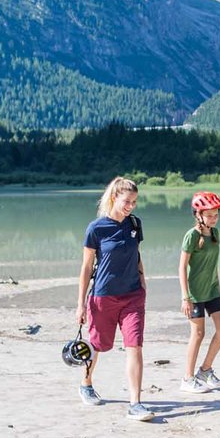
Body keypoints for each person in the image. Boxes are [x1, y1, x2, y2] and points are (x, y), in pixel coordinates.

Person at [75, 176, 153, 421]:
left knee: (135, 346)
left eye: (135, 201)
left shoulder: (135, 224)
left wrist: (142, 280)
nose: (131, 206)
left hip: (132, 297)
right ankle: (86, 384)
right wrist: (80, 305)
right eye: (127, 201)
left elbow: (136, 254)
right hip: (103, 297)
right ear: (114, 198)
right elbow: (86, 269)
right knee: (97, 345)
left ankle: (135, 403)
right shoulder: (96, 228)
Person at [178, 191, 220, 394]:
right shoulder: (192, 235)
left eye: (216, 214)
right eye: (209, 215)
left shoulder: (215, 234)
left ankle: (205, 370)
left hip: (212, 291)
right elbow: (182, 267)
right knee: (198, 334)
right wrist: (185, 297)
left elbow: (213, 264)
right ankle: (187, 378)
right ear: (198, 214)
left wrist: (217, 284)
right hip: (195, 294)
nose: (214, 218)